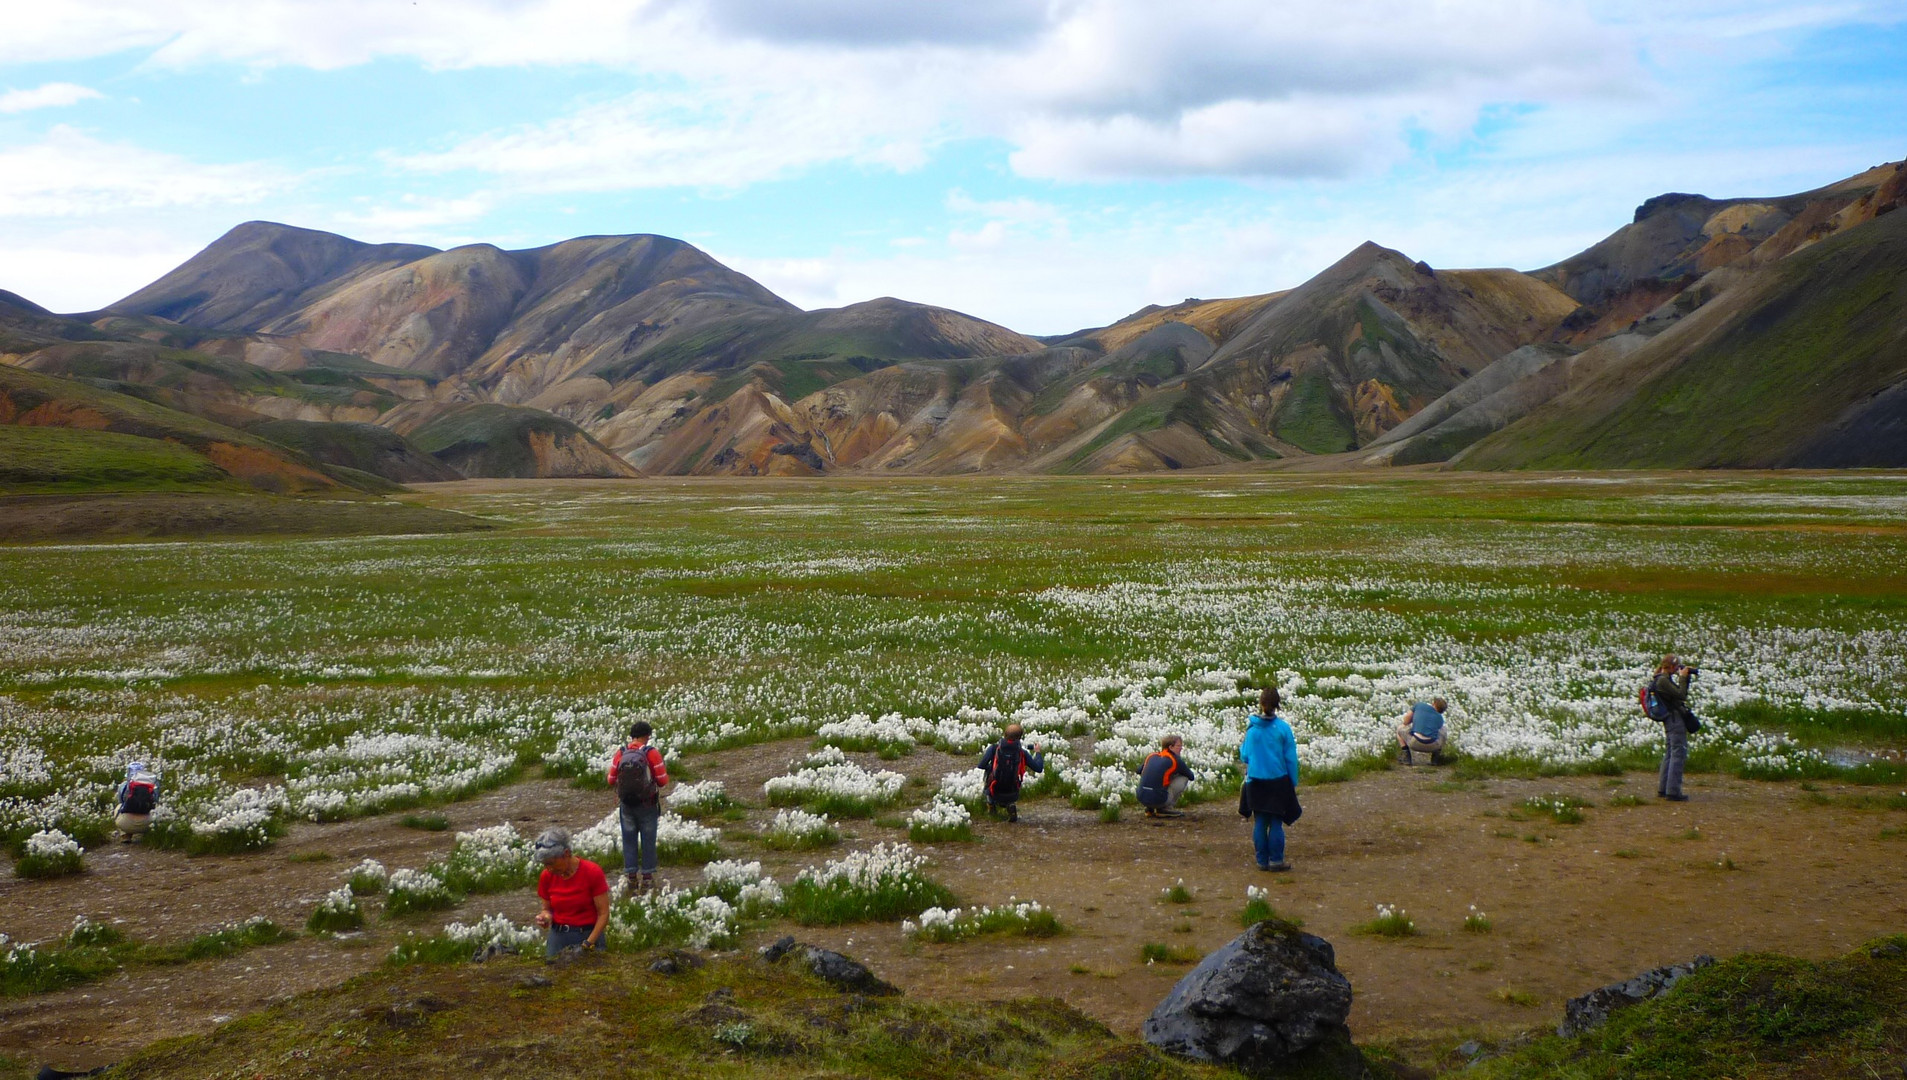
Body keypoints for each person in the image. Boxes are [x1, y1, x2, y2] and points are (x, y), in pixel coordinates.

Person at [1238, 688, 1301, 872]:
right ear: (1277, 705)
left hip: (1255, 782)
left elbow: (1244, 755)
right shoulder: (1283, 728)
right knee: (1275, 822)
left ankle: (1261, 861)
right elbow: (1290, 758)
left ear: (1261, 703)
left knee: (1259, 822)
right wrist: (1293, 782)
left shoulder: (1252, 729)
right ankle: (1276, 860)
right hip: (1278, 781)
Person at [606, 721, 671, 893]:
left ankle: (631, 880)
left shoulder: (621, 753)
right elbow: (663, 781)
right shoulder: (651, 753)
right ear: (647, 736)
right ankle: (648, 880)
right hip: (647, 804)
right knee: (648, 840)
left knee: (629, 840)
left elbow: (610, 779)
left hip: (626, 805)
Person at [532, 827, 610, 957]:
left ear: (566, 853)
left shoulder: (592, 872)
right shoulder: (546, 876)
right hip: (558, 938)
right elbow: (547, 909)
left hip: (589, 936)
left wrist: (588, 944)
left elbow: (603, 913)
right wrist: (545, 917)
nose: (549, 869)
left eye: (551, 863)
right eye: (545, 864)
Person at [1652, 655, 1697, 802]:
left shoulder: (1660, 678)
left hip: (1670, 719)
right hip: (1674, 720)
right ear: (1670, 667)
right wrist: (1683, 678)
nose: (1678, 669)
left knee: (1671, 753)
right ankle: (1673, 791)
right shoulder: (1663, 680)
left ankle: (1664, 788)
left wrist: (1685, 678)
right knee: (1678, 753)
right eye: (1676, 667)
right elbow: (1681, 695)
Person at [978, 723, 1045, 823]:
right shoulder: (1022, 753)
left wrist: (991, 768)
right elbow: (1038, 768)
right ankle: (1010, 804)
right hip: (1013, 792)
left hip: (994, 789)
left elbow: (981, 765)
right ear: (1019, 738)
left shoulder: (994, 749)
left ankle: (991, 805)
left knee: (989, 773)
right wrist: (1038, 752)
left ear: (1004, 734)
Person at [1136, 734, 1197, 819]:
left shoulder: (1152, 756)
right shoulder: (1175, 760)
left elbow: (1139, 771)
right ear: (1171, 747)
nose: (1181, 748)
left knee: (1159, 777)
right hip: (1159, 800)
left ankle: (1150, 808)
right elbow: (1191, 776)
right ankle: (1164, 809)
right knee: (1183, 778)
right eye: (1178, 746)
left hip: (1141, 798)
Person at [114, 761, 159, 842]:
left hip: (126, 824)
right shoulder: (153, 785)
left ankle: (125, 835)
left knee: (119, 807)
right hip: (148, 823)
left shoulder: (124, 785)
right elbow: (156, 802)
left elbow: (122, 802)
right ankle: (148, 834)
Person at [1395, 698, 1449, 766]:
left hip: (1414, 743)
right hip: (1433, 746)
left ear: (1434, 703)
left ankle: (1406, 757)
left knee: (1400, 728)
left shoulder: (1419, 705)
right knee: (1443, 730)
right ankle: (1435, 759)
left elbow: (1406, 721)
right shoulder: (1440, 719)